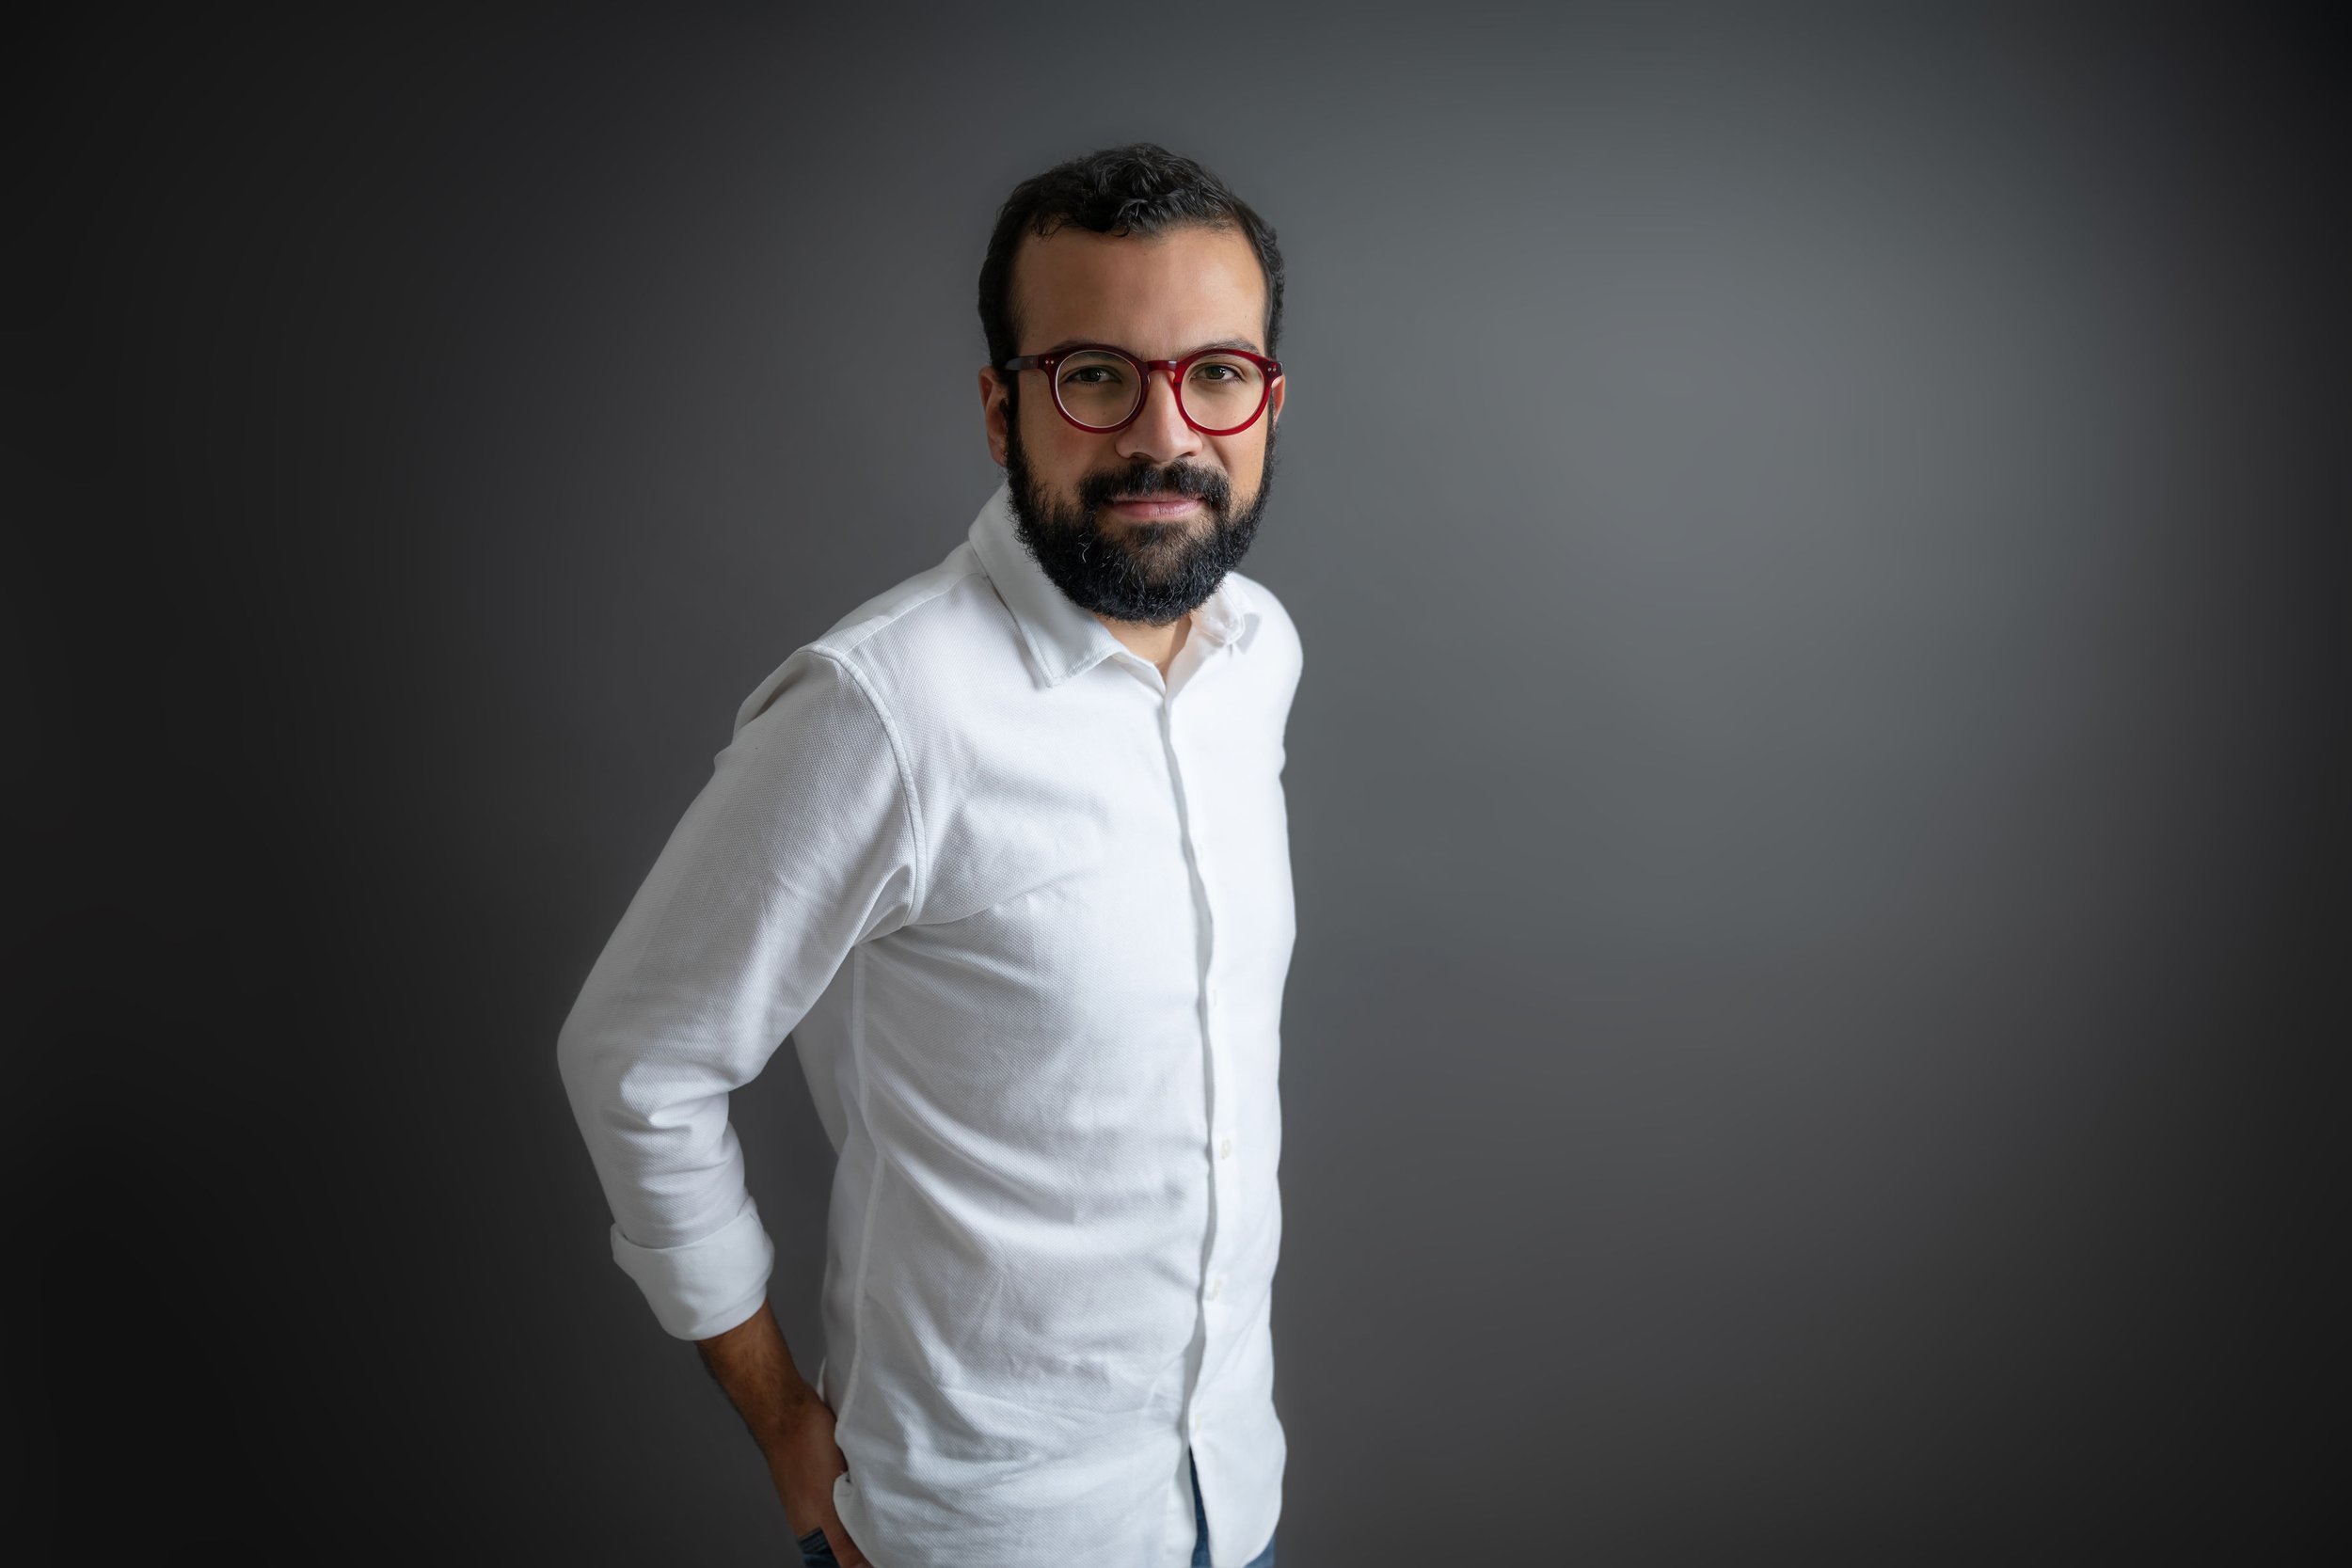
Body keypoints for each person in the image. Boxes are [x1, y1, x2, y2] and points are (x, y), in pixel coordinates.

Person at [557, 143, 1298, 1567]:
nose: (1165, 436)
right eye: (1095, 375)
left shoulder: (1257, 656)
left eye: (1215, 373)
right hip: (983, 1539)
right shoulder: (884, 713)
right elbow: (636, 1062)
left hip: (1231, 1500)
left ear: (1267, 399)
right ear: (999, 407)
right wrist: (781, 1416)